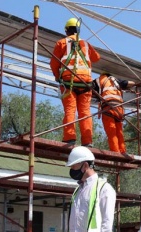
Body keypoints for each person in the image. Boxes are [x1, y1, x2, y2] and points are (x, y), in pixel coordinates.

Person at [50, 18, 101, 147]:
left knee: (70, 110)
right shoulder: (86, 44)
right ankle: (87, 141)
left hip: (68, 83)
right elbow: (97, 58)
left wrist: (57, 77)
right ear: (78, 30)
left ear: (67, 31)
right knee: (85, 112)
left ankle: (69, 138)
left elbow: (54, 63)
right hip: (85, 83)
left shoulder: (61, 43)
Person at [91, 73, 135, 153]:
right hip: (119, 109)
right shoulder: (116, 80)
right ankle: (122, 151)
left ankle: (115, 152)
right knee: (119, 132)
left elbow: (89, 89)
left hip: (108, 108)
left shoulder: (99, 80)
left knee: (111, 132)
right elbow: (132, 83)